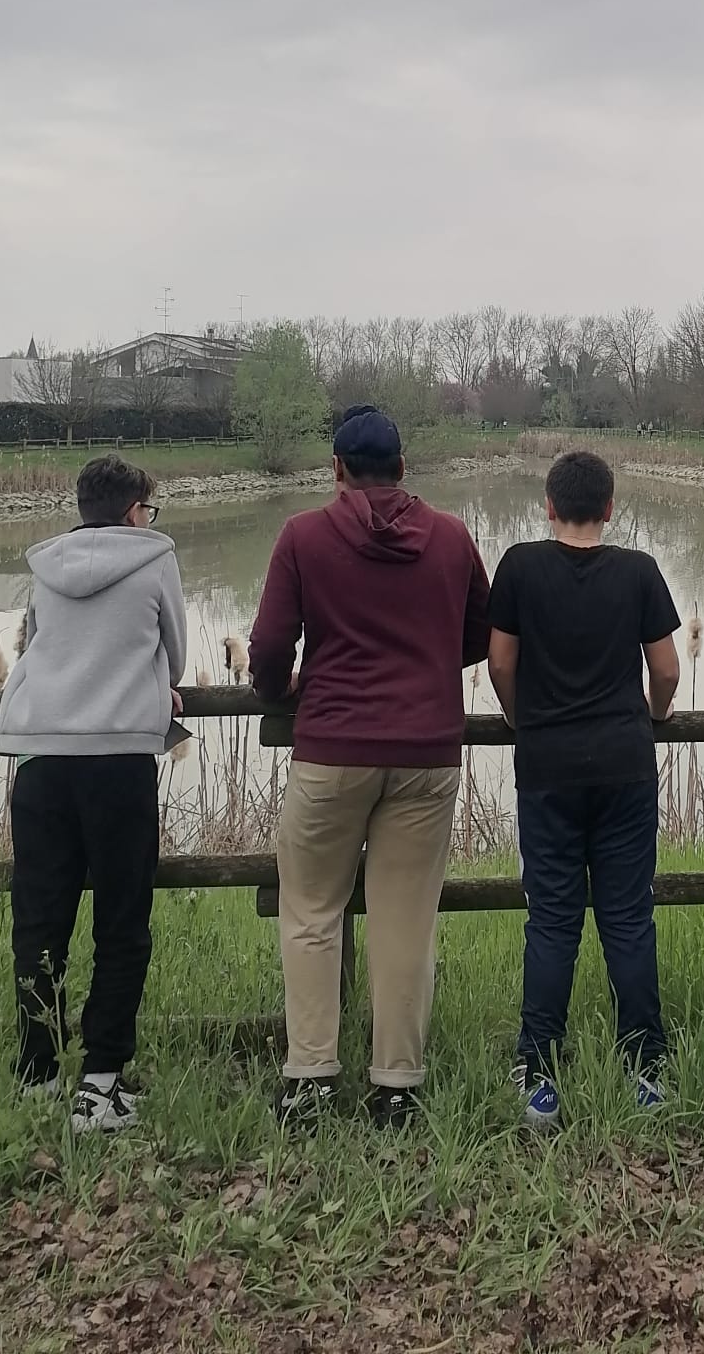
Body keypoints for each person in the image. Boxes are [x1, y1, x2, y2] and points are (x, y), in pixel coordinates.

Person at [249, 405, 491, 1129]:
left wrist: (281, 690)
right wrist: (426, 665)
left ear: (337, 469)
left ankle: (311, 1079)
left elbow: (269, 648)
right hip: (426, 751)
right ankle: (396, 1087)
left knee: (311, 912)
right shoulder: (451, 536)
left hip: (332, 749)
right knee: (405, 922)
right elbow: (481, 632)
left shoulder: (303, 535)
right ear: (403, 467)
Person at [486, 450, 681, 1131]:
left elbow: (500, 663)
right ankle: (646, 1070)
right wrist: (654, 716)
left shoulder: (518, 566)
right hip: (625, 763)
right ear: (609, 507)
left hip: (548, 767)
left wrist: (521, 718)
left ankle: (539, 1076)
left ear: (548, 505)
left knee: (552, 920)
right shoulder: (640, 571)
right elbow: (666, 669)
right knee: (628, 917)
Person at [0, 454, 187, 1134]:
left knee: (40, 921)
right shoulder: (155, 558)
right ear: (135, 511)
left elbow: (36, 645)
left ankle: (37, 1073)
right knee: (121, 923)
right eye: (148, 510)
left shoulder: (45, 566)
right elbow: (176, 652)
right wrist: (158, 683)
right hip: (118, 759)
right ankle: (100, 1086)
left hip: (42, 757)